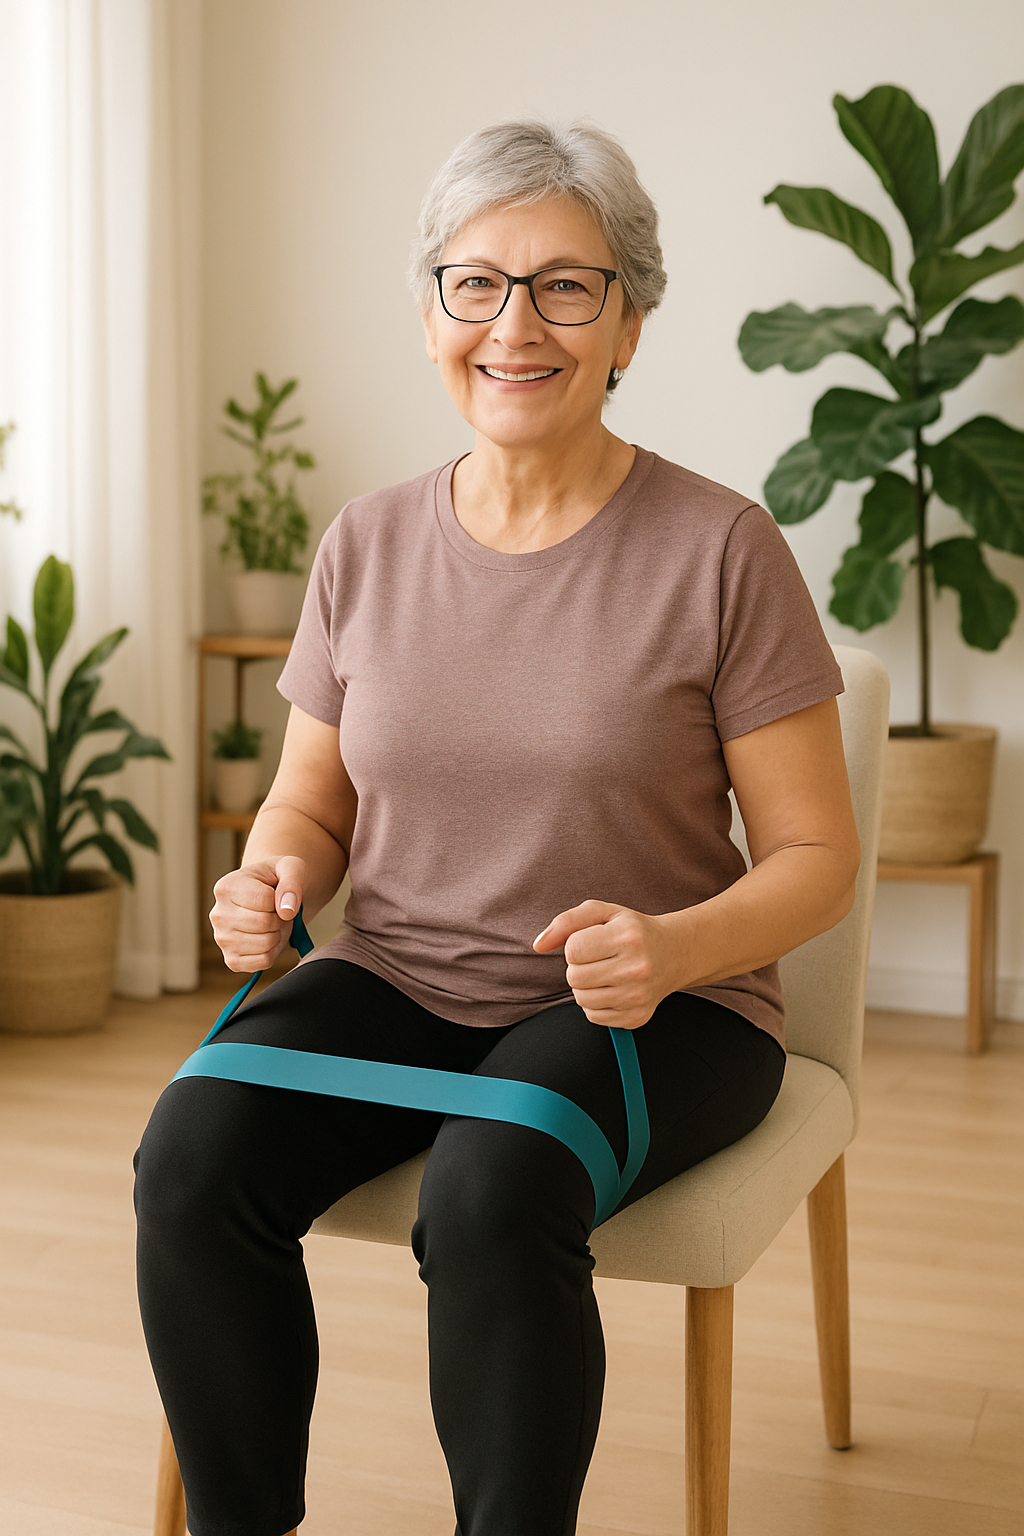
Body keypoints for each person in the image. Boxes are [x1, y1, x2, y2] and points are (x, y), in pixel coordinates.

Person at [135, 119, 860, 1536]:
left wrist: (673, 947)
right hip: (401, 974)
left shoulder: (723, 549)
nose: (515, 325)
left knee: (489, 1187)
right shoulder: (365, 542)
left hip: (660, 1008)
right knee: (193, 1152)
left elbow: (817, 861)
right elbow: (310, 800)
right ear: (432, 315)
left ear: (629, 323)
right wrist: (273, 875)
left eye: (566, 287)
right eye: (476, 283)